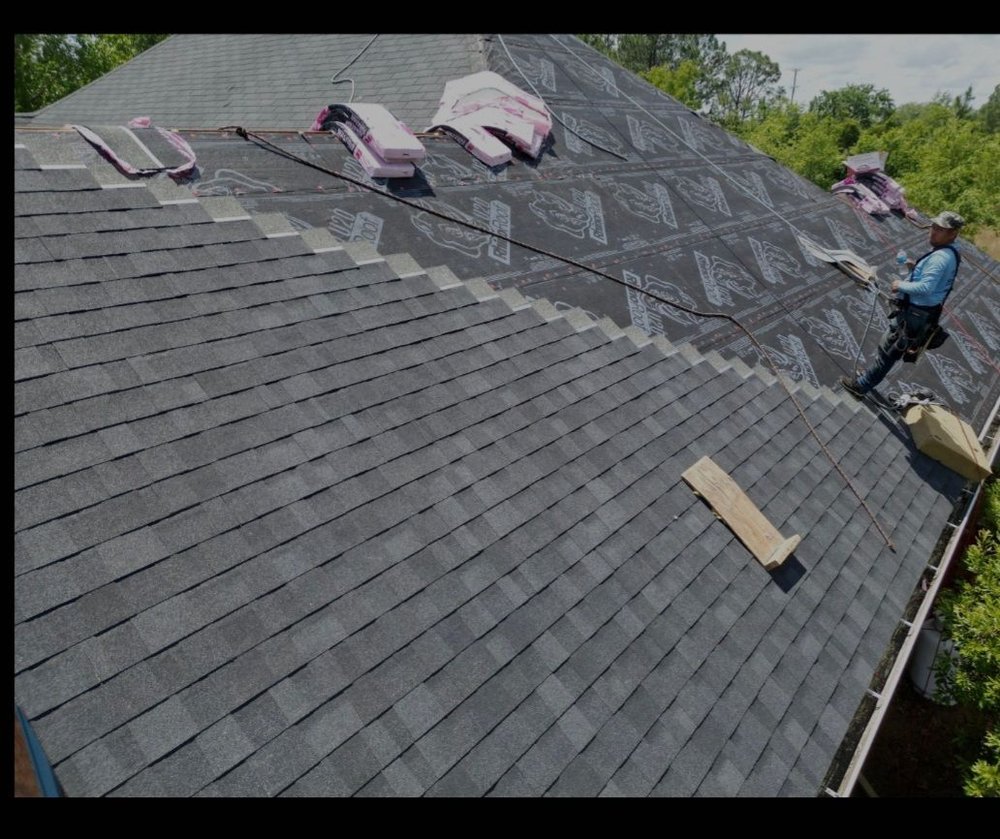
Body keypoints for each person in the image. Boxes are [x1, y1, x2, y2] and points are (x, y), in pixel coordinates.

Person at [840, 211, 964, 398]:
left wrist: (900, 284)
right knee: (891, 348)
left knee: (890, 350)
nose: (933, 232)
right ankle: (868, 377)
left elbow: (926, 288)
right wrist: (915, 268)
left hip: (915, 313)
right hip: (923, 312)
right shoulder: (950, 252)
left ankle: (861, 386)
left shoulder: (940, 258)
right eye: (934, 227)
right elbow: (935, 281)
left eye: (940, 230)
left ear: (953, 234)